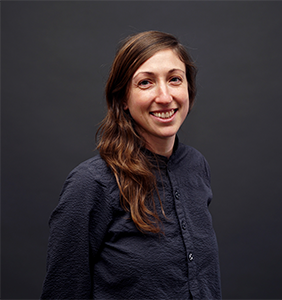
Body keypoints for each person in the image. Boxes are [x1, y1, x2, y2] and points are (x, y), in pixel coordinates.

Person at [41, 30, 222, 299]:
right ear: (123, 98)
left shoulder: (196, 166)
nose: (164, 96)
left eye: (174, 79)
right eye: (146, 83)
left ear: (189, 89)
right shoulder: (91, 184)